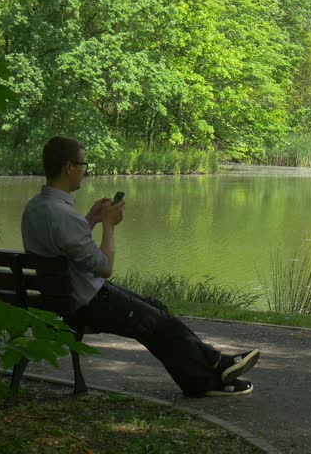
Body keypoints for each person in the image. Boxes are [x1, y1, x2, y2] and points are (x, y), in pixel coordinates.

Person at [21, 136, 259, 397]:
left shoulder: (35, 208)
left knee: (156, 309)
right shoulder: (63, 214)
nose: (84, 170)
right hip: (88, 303)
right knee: (156, 323)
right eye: (83, 164)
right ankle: (213, 373)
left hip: (69, 299)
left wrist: (90, 220)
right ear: (69, 167)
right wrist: (110, 226)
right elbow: (104, 267)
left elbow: (68, 250)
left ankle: (212, 370)